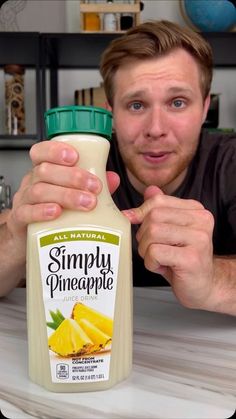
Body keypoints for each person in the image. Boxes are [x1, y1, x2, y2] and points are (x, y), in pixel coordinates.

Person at [0, 20, 236, 315]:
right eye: (136, 105)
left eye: (177, 102)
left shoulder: (229, 162)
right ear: (111, 113)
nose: (156, 129)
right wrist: (16, 236)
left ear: (204, 108)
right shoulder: (81, 166)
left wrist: (214, 281)